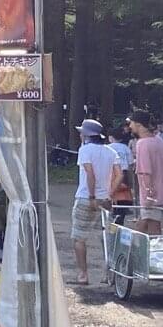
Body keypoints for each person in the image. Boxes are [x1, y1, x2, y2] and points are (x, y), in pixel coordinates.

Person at [70, 119, 121, 285]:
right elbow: (119, 175)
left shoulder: (85, 150)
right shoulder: (110, 151)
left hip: (86, 197)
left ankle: (83, 274)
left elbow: (90, 175)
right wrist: (109, 193)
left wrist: (92, 196)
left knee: (79, 238)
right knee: (106, 238)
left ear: (86, 135)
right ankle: (108, 274)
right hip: (105, 199)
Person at [129, 111, 163, 231]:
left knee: (149, 225)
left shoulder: (142, 144)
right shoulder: (159, 141)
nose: (130, 126)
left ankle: (139, 248)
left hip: (151, 194)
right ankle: (135, 247)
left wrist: (149, 195)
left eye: (132, 123)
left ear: (139, 124)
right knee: (148, 222)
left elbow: (145, 172)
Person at [108, 126, 135, 223]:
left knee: (113, 195)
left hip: (112, 175)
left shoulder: (108, 148)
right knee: (124, 196)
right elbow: (131, 164)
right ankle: (121, 214)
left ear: (110, 137)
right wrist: (131, 183)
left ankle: (114, 214)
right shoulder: (125, 148)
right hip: (125, 174)